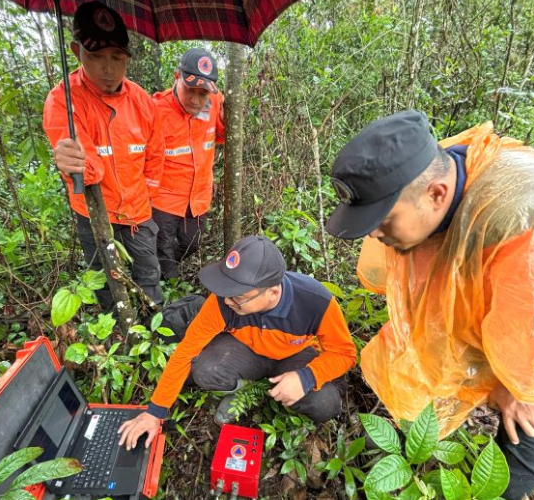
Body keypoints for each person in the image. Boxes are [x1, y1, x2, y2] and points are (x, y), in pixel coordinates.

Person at [325, 110, 534, 500]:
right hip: (513, 299)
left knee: (528, 428)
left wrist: (519, 388)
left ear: (437, 194)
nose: (374, 234)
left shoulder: (527, 222)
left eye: (383, 221)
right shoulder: (429, 174)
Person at [117, 235, 357, 450]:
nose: (228, 301)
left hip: (295, 355)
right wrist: (155, 412)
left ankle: (282, 386)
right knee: (205, 370)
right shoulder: (223, 302)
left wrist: (306, 377)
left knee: (325, 404)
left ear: (272, 293)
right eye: (226, 292)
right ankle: (248, 391)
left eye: (238, 297)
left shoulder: (316, 302)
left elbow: (345, 354)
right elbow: (185, 352)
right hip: (246, 349)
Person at [44, 2, 165, 308]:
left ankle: (155, 336)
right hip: (94, 215)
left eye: (117, 57)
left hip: (139, 214)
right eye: (95, 57)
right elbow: (92, 172)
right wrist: (74, 160)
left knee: (149, 277)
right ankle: (120, 336)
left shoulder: (142, 101)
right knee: (107, 285)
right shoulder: (63, 102)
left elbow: (156, 153)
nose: (108, 69)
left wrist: (146, 196)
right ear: (75, 51)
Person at [151, 48, 225, 280]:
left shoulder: (215, 101)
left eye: (202, 93)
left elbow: (223, 135)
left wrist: (227, 117)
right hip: (164, 199)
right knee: (163, 251)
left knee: (193, 242)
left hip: (199, 196)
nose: (195, 99)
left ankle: (162, 268)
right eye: (189, 90)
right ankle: (168, 289)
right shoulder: (155, 109)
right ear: (176, 78)